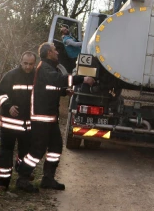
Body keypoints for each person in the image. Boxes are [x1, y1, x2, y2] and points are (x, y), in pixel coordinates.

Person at [16, 42, 95, 192]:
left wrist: (64, 92)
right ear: (48, 53)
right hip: (41, 118)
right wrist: (82, 79)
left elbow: (49, 88)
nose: (58, 52)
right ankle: (22, 179)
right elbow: (58, 80)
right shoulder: (44, 68)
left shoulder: (49, 68)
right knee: (37, 150)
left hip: (50, 117)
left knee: (55, 147)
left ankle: (48, 179)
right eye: (55, 50)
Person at [0, 51, 36, 191]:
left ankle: (22, 175)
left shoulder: (37, 77)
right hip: (9, 124)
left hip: (28, 125)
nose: (28, 67)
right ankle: (3, 182)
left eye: (31, 64)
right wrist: (8, 106)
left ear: (34, 64)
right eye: (25, 63)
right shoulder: (10, 76)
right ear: (20, 61)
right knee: (6, 152)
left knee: (25, 153)